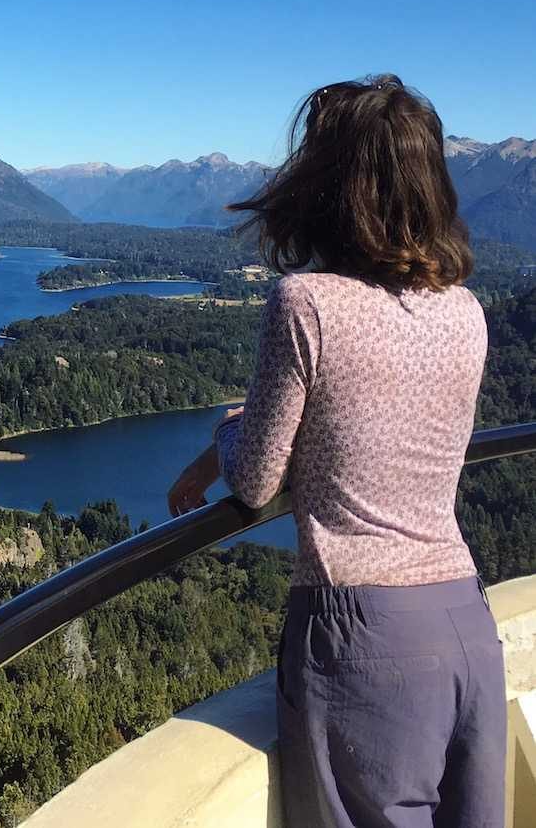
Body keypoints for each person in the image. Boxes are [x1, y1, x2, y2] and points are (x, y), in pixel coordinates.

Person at [166, 74, 502, 827]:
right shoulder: (466, 311)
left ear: (333, 186)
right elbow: (380, 424)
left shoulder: (307, 303)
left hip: (363, 641)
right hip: (465, 625)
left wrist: (226, 434)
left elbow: (255, 483)